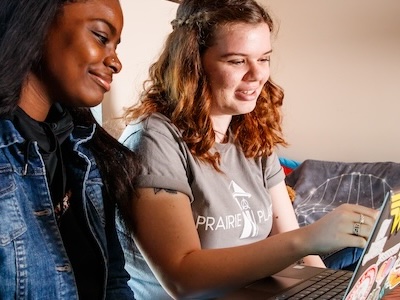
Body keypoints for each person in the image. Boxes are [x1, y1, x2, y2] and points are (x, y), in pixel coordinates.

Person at [117, 0, 378, 299]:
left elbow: (303, 257)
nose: (257, 75)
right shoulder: (153, 139)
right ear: (193, 64)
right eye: (237, 61)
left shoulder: (252, 133)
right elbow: (182, 279)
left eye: (264, 58)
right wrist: (312, 238)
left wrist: (329, 287)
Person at [0, 0, 139, 299]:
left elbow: (113, 279)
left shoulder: (86, 151)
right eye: (101, 38)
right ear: (37, 20)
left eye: (115, 45)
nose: (116, 62)